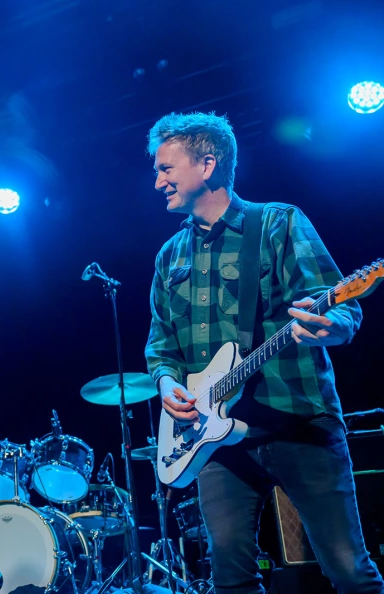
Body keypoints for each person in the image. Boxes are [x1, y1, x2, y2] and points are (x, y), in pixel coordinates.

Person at [143, 112, 383, 594]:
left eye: (166, 168)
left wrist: (328, 327)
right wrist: (169, 385)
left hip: (298, 421)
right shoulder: (170, 256)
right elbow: (161, 346)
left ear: (207, 164)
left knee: (348, 572)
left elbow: (339, 307)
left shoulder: (278, 223)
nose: (157, 182)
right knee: (230, 580)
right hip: (214, 439)